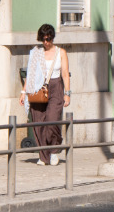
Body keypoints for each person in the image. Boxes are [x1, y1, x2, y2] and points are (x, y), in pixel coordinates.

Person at [21, 24, 70, 165]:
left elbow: (65, 74)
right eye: (43, 39)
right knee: (38, 121)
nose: (46, 42)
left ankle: (54, 151)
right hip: (37, 88)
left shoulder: (61, 52)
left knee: (52, 119)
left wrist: (67, 93)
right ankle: (43, 155)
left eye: (48, 39)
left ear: (52, 38)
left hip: (55, 87)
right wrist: (23, 92)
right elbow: (30, 74)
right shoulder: (36, 52)